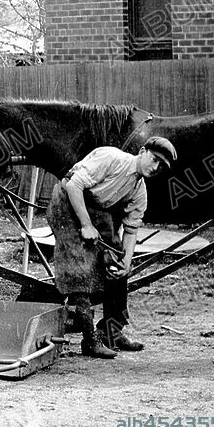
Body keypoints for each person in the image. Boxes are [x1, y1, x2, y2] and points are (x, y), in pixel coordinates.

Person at [46, 136, 177, 358]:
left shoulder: (139, 191)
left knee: (115, 259)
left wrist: (126, 263)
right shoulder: (112, 158)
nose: (155, 168)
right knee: (79, 264)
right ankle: (90, 340)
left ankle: (110, 331)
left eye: (161, 166)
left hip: (95, 208)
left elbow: (131, 230)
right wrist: (86, 225)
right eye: (154, 159)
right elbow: (74, 185)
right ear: (143, 151)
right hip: (67, 201)